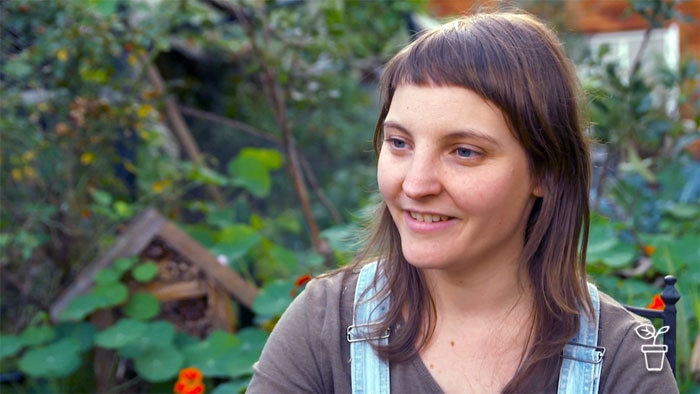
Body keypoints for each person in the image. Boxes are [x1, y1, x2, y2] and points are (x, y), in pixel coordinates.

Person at [247, 10, 679, 394]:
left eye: (464, 151)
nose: (415, 185)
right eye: (399, 143)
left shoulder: (624, 361)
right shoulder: (325, 325)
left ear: (546, 171)